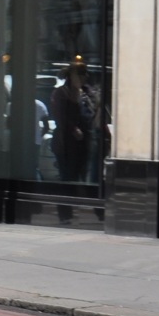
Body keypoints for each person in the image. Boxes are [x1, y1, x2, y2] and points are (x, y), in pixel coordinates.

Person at [50, 61, 99, 224]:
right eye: (80, 74)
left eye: (85, 75)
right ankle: (65, 213)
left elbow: (92, 114)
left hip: (83, 142)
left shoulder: (86, 93)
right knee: (67, 177)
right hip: (66, 143)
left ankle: (96, 210)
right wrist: (73, 129)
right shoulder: (61, 93)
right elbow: (60, 116)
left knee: (83, 176)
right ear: (72, 76)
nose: (84, 78)